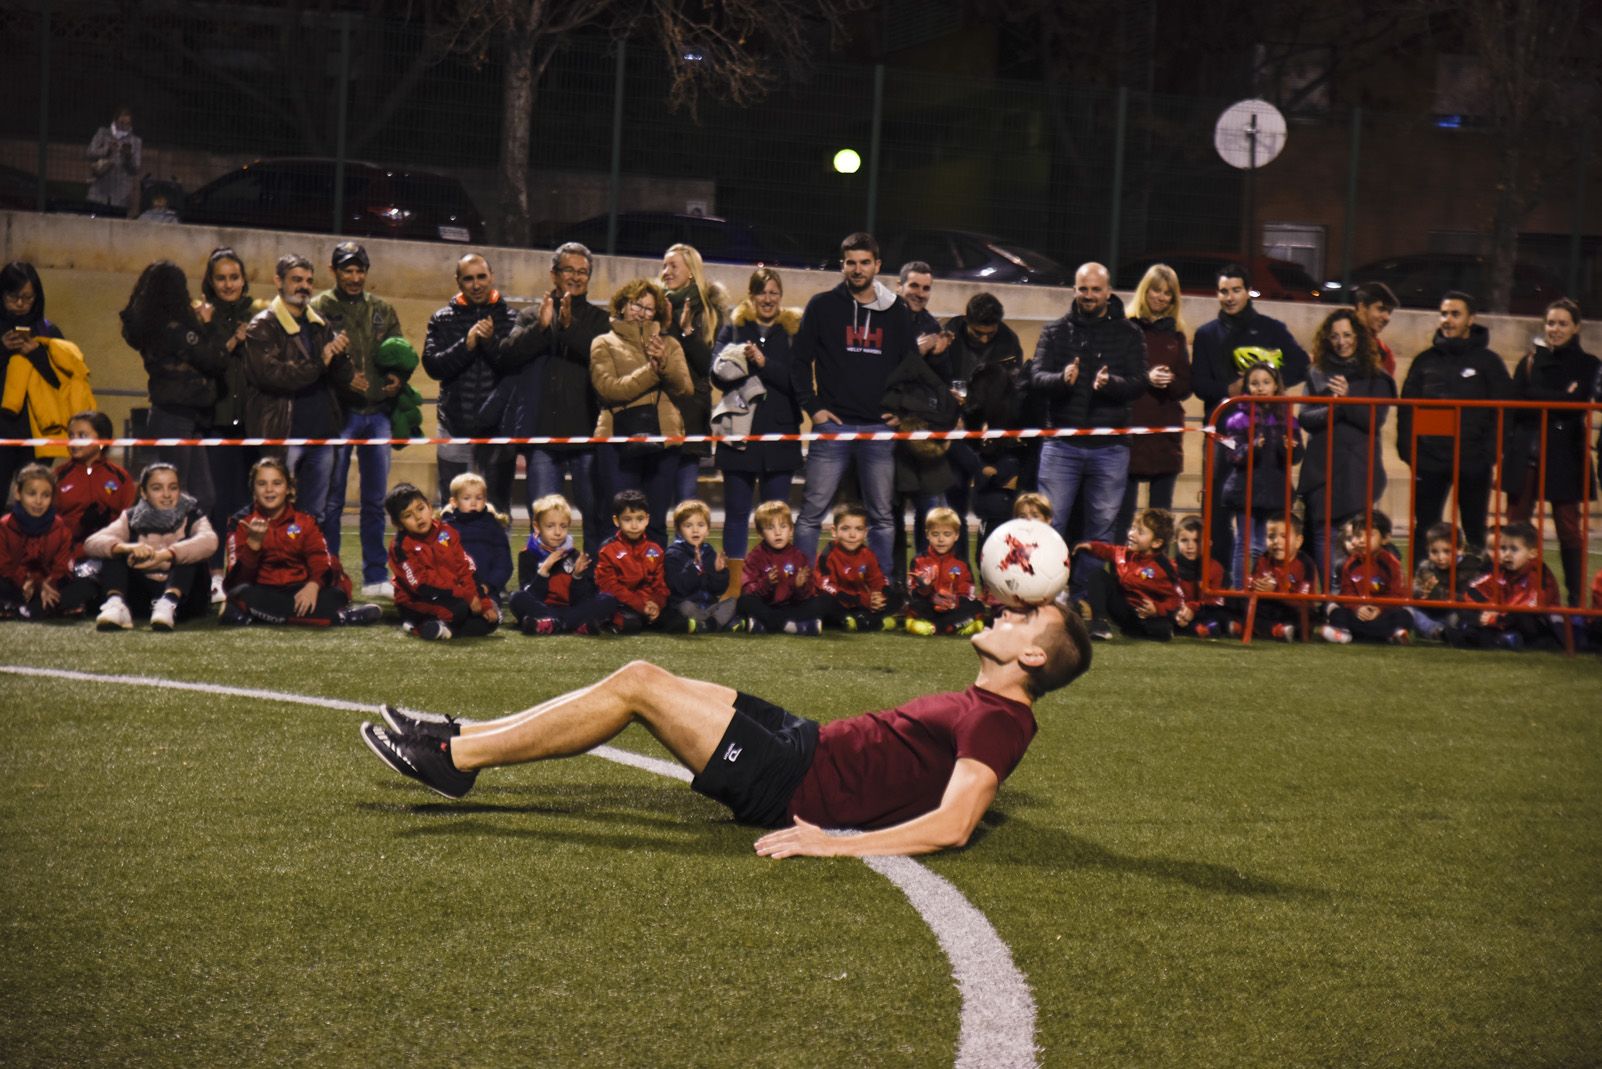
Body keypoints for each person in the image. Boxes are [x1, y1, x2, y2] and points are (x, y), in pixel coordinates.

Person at [359, 599, 1092, 860]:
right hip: (807, 740)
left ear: (1032, 657)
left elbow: (955, 825)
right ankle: (459, 733)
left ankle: (456, 758)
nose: (1007, 611)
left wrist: (833, 842)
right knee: (652, 677)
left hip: (795, 783)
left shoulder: (1001, 721)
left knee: (639, 683)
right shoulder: (992, 704)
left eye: (1025, 617)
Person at [791, 233, 919, 574]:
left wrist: (901, 409)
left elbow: (911, 367)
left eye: (865, 262)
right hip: (833, 427)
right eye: (851, 263)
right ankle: (802, 587)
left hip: (879, 428)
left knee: (882, 517)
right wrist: (813, 407)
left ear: (877, 265)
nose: (857, 269)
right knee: (811, 514)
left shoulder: (896, 310)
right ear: (842, 265)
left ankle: (876, 588)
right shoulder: (822, 306)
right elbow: (798, 362)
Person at [1026, 262, 1148, 604]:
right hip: (1062, 443)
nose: (1089, 295)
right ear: (1074, 290)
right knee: (1049, 524)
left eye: (1096, 289)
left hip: (1110, 446)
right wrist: (1061, 378)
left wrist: (1112, 384)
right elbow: (1036, 377)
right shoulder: (1054, 331)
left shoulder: (1130, 333)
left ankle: (1087, 600)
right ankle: (1045, 595)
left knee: (1101, 529)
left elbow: (1139, 383)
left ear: (1108, 292)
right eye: (1083, 289)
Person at [1191, 264, 1310, 571]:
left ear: (1248, 292)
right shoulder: (1206, 334)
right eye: (1224, 291)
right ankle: (1220, 582)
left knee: (1263, 517)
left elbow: (1301, 364)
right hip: (1223, 435)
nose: (1230, 297)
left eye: (1236, 290)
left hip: (1266, 438)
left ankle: (1264, 580)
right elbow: (1199, 385)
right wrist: (1229, 390)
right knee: (1218, 508)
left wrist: (1270, 381)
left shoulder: (1271, 329)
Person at [498, 242, 610, 552]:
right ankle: (543, 576)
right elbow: (508, 355)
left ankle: (596, 574)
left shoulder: (600, 320)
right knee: (544, 518)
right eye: (569, 270)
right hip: (542, 437)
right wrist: (542, 327)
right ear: (554, 274)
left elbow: (599, 355)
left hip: (588, 435)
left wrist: (568, 327)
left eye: (582, 272)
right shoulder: (531, 316)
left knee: (596, 515)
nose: (576, 277)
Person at [311, 242, 405, 594]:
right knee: (332, 500)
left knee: (375, 502)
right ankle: (331, 574)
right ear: (333, 271)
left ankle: (376, 576)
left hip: (378, 414)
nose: (354, 277)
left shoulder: (382, 308)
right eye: (347, 270)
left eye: (359, 270)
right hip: (339, 415)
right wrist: (344, 380)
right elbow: (314, 359)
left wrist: (398, 377)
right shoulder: (319, 307)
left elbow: (399, 350)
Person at [243, 254, 355, 531]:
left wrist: (340, 355)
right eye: (296, 280)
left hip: (322, 434)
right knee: (275, 511)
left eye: (308, 281)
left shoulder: (320, 323)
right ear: (278, 281)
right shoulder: (262, 326)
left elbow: (342, 377)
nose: (304, 286)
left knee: (315, 515)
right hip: (284, 433)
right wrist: (320, 362)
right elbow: (272, 376)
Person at [1397, 291, 1511, 560]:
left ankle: (1475, 583)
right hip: (1430, 460)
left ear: (1471, 319)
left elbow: (1504, 410)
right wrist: (1410, 452)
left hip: (1473, 461)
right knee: (1425, 529)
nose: (1447, 320)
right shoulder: (1424, 360)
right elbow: (1407, 409)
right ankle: (1421, 583)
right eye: (1444, 314)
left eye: (1455, 314)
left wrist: (1490, 452)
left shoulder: (1489, 362)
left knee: (1474, 530)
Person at [1500, 298, 1599, 606]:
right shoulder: (1530, 361)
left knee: (1569, 528)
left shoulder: (1589, 364)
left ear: (1576, 327)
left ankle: (1575, 601)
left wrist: (1539, 398)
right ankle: (1514, 594)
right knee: (1516, 526)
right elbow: (1516, 400)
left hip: (1565, 454)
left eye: (1563, 323)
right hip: (1526, 452)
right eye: (1551, 323)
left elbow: (1577, 404)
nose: (1555, 329)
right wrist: (1560, 398)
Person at [120, 260, 226, 521]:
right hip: (175, 416)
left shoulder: (150, 327)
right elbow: (214, 360)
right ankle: (166, 544)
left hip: (182, 415)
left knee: (201, 496)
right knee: (177, 497)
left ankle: (192, 544)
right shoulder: (175, 330)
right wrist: (208, 324)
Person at [1297, 308, 1396, 586]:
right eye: (1335, 336)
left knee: (1354, 536)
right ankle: (1329, 596)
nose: (1341, 342)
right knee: (1323, 533)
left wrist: (1347, 399)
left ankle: (1350, 596)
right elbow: (1306, 417)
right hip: (1320, 468)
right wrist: (1336, 407)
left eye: (1347, 335)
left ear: (1359, 337)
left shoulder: (1377, 377)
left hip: (1357, 469)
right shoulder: (1317, 373)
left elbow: (1374, 420)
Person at [590, 279, 693, 547]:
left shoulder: (670, 345)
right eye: (637, 305)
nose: (642, 313)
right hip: (617, 441)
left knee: (655, 521)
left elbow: (685, 389)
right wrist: (652, 371)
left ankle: (655, 573)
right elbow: (609, 389)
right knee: (619, 520)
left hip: (664, 440)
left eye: (649, 308)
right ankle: (614, 573)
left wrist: (665, 363)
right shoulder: (603, 342)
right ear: (623, 305)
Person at [219, 456, 379, 628]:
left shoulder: (305, 520)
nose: (269, 490)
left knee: (336, 594)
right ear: (253, 489)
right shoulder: (240, 522)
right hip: (263, 590)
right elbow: (235, 582)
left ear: (288, 488)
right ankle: (339, 618)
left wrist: (313, 585)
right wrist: (253, 546)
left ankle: (258, 614)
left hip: (301, 588)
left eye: (277, 483)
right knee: (241, 594)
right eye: (262, 484)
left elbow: (321, 560)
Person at [712, 268, 804, 561]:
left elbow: (799, 383)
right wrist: (736, 362)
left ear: (781, 296)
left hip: (780, 437)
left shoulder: (793, 332)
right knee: (736, 514)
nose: (768, 299)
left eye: (774, 292)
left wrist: (764, 364)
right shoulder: (734, 328)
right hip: (739, 435)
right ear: (751, 296)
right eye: (762, 292)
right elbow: (716, 375)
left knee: (776, 518)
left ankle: (774, 579)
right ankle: (734, 581)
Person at [423, 254, 517, 511]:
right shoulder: (441, 318)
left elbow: (513, 366)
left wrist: (490, 342)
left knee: (498, 510)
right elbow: (433, 366)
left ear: (492, 277)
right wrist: (467, 344)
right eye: (468, 279)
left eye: (481, 277)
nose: (476, 285)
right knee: (452, 507)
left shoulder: (512, 318)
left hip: (499, 430)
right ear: (458, 281)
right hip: (454, 426)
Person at [195, 246, 267, 572]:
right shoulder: (201, 316)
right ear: (210, 281)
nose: (228, 284)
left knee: (247, 502)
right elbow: (206, 361)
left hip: (252, 424)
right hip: (215, 421)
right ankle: (212, 570)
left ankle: (244, 570)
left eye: (234, 277)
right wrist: (234, 340)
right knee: (215, 500)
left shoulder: (259, 314)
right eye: (221, 278)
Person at [943, 293, 1027, 564]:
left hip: (991, 435)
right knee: (953, 504)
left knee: (993, 507)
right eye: (977, 333)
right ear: (966, 320)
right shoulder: (950, 333)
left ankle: (991, 568)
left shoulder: (1009, 341)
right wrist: (949, 403)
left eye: (989, 334)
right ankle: (958, 568)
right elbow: (936, 376)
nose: (983, 339)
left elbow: (1010, 390)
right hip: (956, 432)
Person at [86, 461, 218, 631]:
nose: (167, 495)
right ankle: (116, 605)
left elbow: (210, 540)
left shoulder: (192, 514)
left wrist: (165, 555)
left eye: (173, 488)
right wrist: (127, 548)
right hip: (142, 595)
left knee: (188, 551)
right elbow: (91, 543)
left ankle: (168, 603)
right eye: (157, 488)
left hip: (186, 600)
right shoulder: (131, 517)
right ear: (144, 492)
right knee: (113, 548)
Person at [1117, 264, 1192, 543]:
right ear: (1144, 291)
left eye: (1167, 293)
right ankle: (1120, 564)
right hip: (1130, 430)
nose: (1161, 297)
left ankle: (1157, 566)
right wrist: (1145, 378)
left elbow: (1186, 386)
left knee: (1160, 517)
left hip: (1165, 434)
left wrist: (1170, 381)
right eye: (1155, 291)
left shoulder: (1177, 336)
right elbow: (1116, 375)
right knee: (1122, 514)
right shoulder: (1126, 328)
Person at [1220, 361, 1303, 587]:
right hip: (1245, 489)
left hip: (1274, 490)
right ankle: (1240, 592)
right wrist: (1252, 447)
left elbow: (1296, 456)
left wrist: (1289, 448)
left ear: (1276, 385)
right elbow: (1232, 455)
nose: (1260, 388)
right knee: (1245, 543)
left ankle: (1260, 588)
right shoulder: (1237, 419)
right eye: (1254, 383)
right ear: (1247, 387)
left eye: (1266, 382)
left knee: (1264, 544)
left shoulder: (1287, 419)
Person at [385, 482, 500, 641]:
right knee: (459, 609)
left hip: (451, 595)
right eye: (408, 515)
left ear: (429, 507)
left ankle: (442, 629)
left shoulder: (446, 533)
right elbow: (422, 586)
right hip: (417, 601)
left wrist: (483, 602)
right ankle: (418, 625)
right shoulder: (401, 546)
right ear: (398, 524)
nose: (418, 517)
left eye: (420, 508)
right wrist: (465, 595)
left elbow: (465, 569)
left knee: (490, 620)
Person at [660, 244, 725, 504]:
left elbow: (710, 365)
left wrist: (686, 332)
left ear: (691, 272)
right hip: (658, 413)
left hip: (691, 416)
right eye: (664, 265)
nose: (666, 271)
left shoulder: (709, 312)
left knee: (686, 501)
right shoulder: (655, 306)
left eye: (673, 266)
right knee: (655, 500)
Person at [1, 263, 68, 498]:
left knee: (34, 501)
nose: (20, 304)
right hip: (2, 431)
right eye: (13, 297)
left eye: (28, 298)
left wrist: (37, 354)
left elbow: (65, 380)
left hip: (38, 432)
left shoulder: (49, 332)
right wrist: (3, 350)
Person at [0, 464, 99, 619]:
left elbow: (62, 565)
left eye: (45, 495)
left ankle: (22, 609)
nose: (38, 501)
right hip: (16, 584)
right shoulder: (5, 526)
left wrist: (47, 584)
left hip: (48, 587)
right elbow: (4, 565)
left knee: (87, 584)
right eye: (32, 494)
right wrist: (25, 581)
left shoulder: (60, 527)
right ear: (18, 493)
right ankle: (39, 608)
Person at [508, 494, 616, 636]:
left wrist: (577, 577)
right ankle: (574, 624)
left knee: (608, 600)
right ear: (537, 527)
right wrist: (544, 571)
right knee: (516, 598)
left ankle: (552, 624)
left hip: (570, 609)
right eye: (550, 526)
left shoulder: (575, 555)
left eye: (563, 526)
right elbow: (532, 596)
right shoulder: (527, 555)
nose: (558, 532)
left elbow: (580, 599)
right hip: (543, 608)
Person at [1442, 523, 1560, 650]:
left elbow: (1529, 605)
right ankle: (1490, 637)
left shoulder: (1538, 574)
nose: (1507, 554)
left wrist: (1495, 617)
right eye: (1503, 548)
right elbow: (1475, 589)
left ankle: (1487, 638)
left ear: (1532, 553)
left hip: (1535, 623)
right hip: (1502, 617)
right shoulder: (1502, 570)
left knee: (1522, 617)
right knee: (1463, 605)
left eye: (1514, 549)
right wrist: (1486, 610)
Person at [1074, 507, 1183, 641]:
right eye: (1133, 528)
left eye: (1140, 532)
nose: (1132, 534)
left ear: (1156, 543)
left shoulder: (1164, 568)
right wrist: (1091, 546)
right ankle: (1100, 624)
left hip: (1147, 616)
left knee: (1161, 629)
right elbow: (1109, 551)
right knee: (1097, 575)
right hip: (1125, 610)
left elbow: (1176, 599)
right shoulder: (1126, 554)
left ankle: (1147, 630)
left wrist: (1157, 609)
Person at [735, 499, 829, 635]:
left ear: (791, 529)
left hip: (791, 608)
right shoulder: (755, 556)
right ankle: (793, 626)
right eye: (770, 528)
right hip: (766, 606)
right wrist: (766, 583)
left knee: (824, 601)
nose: (778, 533)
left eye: (783, 526)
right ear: (760, 533)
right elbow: (747, 590)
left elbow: (807, 594)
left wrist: (800, 586)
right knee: (743, 602)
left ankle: (765, 625)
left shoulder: (798, 556)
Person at [1318, 511, 1411, 645]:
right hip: (1359, 615)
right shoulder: (1350, 564)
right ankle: (1348, 634)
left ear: (1385, 538)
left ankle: (1391, 633)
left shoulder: (1391, 563)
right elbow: (1347, 593)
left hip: (1382, 613)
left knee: (1405, 614)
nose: (1361, 540)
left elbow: (1397, 594)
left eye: (1369, 535)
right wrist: (1358, 608)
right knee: (1335, 611)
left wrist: (1379, 608)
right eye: (1358, 535)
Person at [53, 411, 136, 554]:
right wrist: (79, 527)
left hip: (111, 553)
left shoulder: (120, 477)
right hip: (67, 553)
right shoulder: (57, 476)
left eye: (82, 436)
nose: (74, 441)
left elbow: (130, 519)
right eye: (71, 436)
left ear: (102, 440)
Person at [816, 501, 903, 632]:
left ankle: (858, 620)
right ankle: (871, 621)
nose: (852, 535)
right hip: (841, 601)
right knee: (823, 601)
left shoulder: (867, 554)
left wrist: (879, 596)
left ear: (865, 533)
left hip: (861, 602)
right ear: (834, 531)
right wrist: (862, 600)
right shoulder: (827, 556)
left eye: (859, 529)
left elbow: (878, 580)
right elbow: (827, 587)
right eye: (845, 529)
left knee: (896, 597)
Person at [594, 488, 668, 633]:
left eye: (640, 519)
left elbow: (660, 585)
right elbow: (609, 586)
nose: (634, 526)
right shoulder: (608, 549)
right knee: (629, 622)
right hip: (622, 604)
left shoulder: (655, 550)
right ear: (616, 521)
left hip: (647, 604)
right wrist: (640, 605)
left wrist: (656, 603)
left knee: (675, 618)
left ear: (647, 519)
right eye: (627, 519)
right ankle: (609, 621)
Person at [905, 506, 985, 636]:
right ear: (927, 535)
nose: (941, 539)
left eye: (947, 534)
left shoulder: (961, 563)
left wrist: (954, 601)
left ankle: (933, 627)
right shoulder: (919, 561)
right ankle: (955, 627)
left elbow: (967, 592)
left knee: (977, 606)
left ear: (956, 535)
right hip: (929, 606)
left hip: (952, 608)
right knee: (913, 605)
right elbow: (912, 592)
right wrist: (925, 590)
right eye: (935, 534)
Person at [437, 472, 513, 605]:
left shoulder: (494, 528)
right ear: (454, 502)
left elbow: (504, 563)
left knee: (487, 611)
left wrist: (489, 585)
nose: (473, 503)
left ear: (485, 500)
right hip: (455, 590)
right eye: (466, 498)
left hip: (487, 591)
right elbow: (440, 559)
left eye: (479, 498)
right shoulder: (445, 530)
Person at [664, 498, 737, 633]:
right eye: (688, 526)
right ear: (679, 530)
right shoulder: (673, 554)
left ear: (708, 530)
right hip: (687, 605)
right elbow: (679, 588)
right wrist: (694, 568)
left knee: (732, 602)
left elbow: (718, 590)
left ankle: (705, 624)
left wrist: (719, 572)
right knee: (685, 607)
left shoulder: (709, 552)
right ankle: (716, 624)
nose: (695, 530)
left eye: (701, 525)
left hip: (708, 606)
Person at [1246, 513, 1317, 642]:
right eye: (1271, 536)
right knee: (1240, 603)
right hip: (1269, 609)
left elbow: (1303, 598)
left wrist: (1276, 590)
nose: (1276, 542)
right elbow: (1251, 584)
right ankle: (1278, 630)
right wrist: (1257, 586)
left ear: (1298, 541)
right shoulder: (1263, 559)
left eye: (1284, 536)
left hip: (1293, 610)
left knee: (1306, 618)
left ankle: (1262, 629)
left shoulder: (1305, 563)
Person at [1409, 522, 1481, 641]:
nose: (1440, 557)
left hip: (1453, 611)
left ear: (1460, 550)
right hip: (1431, 611)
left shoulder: (1470, 567)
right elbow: (1414, 588)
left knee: (1457, 617)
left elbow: (1468, 598)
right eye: (1434, 552)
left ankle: (1437, 631)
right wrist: (1420, 592)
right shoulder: (1426, 566)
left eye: (1447, 552)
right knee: (1408, 610)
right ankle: (1436, 631)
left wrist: (1439, 593)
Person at [1172, 514, 1238, 639]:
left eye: (1196, 541)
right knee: (1169, 616)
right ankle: (1198, 628)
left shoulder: (1215, 567)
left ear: (1208, 543)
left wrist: (1193, 607)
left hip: (1204, 609)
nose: (1190, 546)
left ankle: (1226, 625)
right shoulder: (1171, 567)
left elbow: (1214, 600)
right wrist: (1181, 611)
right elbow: (1170, 595)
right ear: (1176, 541)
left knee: (1220, 613)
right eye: (1184, 540)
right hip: (1182, 610)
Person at [86, 106, 141, 214]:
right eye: (121, 123)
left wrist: (128, 157)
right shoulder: (103, 133)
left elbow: (136, 169)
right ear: (115, 121)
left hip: (120, 195)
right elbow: (90, 153)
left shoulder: (135, 141)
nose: (123, 126)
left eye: (127, 123)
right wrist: (107, 150)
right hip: (99, 191)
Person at [1352, 283, 1400, 377]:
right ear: (1362, 307)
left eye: (1389, 312)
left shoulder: (1383, 351)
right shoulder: (1340, 341)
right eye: (1381, 309)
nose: (1387, 317)